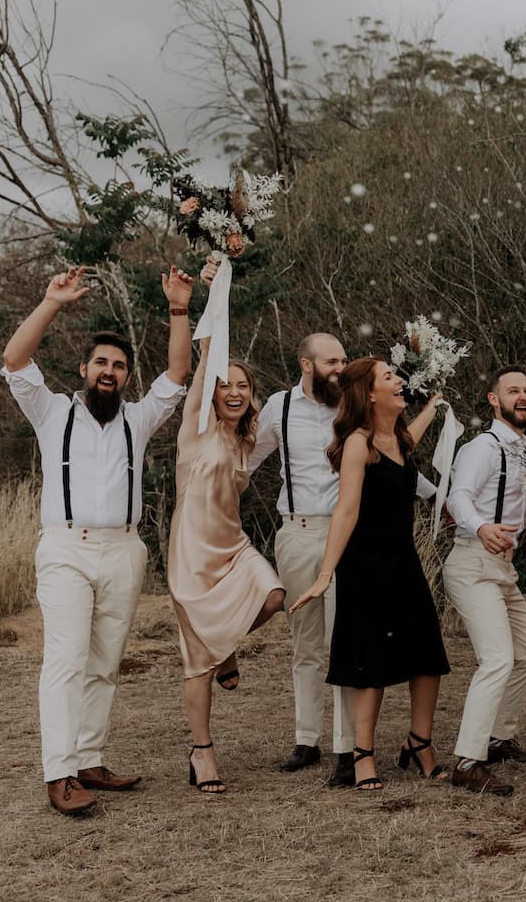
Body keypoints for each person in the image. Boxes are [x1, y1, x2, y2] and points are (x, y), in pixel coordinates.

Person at [1, 264, 193, 815]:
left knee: (105, 661)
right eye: (101, 363)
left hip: (124, 550)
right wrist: (51, 302)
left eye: (119, 366)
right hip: (65, 548)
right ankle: (58, 774)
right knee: (65, 658)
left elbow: (178, 372)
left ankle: (88, 759)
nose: (109, 372)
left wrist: (178, 306)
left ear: (126, 377)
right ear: (84, 369)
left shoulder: (138, 419)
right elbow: (15, 361)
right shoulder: (51, 411)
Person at [288, 358, 448, 791]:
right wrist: (325, 574)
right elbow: (347, 509)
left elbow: (408, 444)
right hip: (366, 565)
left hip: (404, 560)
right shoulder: (358, 443)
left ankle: (419, 743)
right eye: (389, 377)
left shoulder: (397, 438)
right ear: (370, 394)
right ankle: (363, 754)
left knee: (427, 652)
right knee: (370, 661)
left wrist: (432, 405)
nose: (399, 381)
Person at [168, 333, 285, 794]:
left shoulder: (246, 437)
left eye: (242, 385)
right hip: (192, 556)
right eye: (225, 385)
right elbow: (199, 375)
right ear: (212, 394)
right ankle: (202, 752)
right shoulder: (195, 429)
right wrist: (209, 340)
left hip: (232, 546)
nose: (234, 392)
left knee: (274, 596)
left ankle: (226, 648)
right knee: (197, 660)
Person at [439, 366, 526, 796]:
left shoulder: (522, 452)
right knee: (497, 659)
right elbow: (459, 497)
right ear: (494, 400)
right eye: (513, 391)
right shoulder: (484, 446)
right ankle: (468, 762)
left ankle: (497, 738)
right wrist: (480, 528)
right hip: (473, 563)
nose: (523, 396)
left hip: (503, 568)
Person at [247, 333, 359, 785]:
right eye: (332, 361)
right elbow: (246, 461)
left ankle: (346, 747)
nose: (341, 368)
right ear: (306, 364)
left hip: (345, 534)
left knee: (345, 643)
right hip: (295, 534)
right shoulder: (280, 406)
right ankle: (306, 739)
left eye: (344, 360)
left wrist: (435, 496)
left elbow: (389, 456)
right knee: (305, 644)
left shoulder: (353, 406)